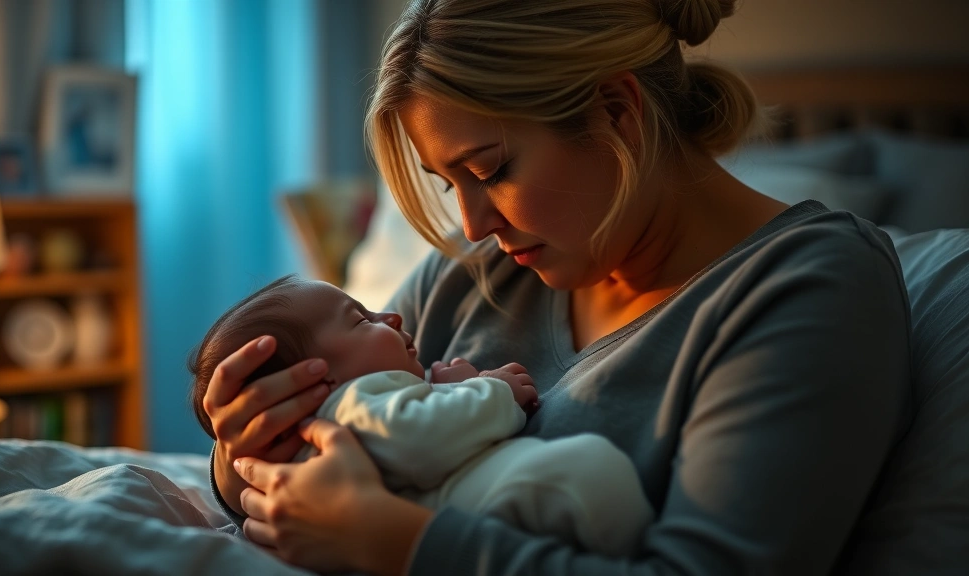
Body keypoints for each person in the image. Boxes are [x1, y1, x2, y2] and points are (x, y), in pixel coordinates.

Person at [202, 0, 912, 574]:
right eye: (450, 185)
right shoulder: (476, 276)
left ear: (616, 111)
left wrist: (399, 546)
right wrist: (243, 460)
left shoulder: (806, 289)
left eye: (491, 171)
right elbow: (322, 457)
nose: (473, 225)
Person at [188, 275, 654, 555]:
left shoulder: (367, 398)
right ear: (314, 382)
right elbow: (421, 435)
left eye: (491, 170)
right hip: (526, 496)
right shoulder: (353, 404)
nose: (391, 316)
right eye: (360, 319)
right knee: (587, 471)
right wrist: (489, 391)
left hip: (492, 524)